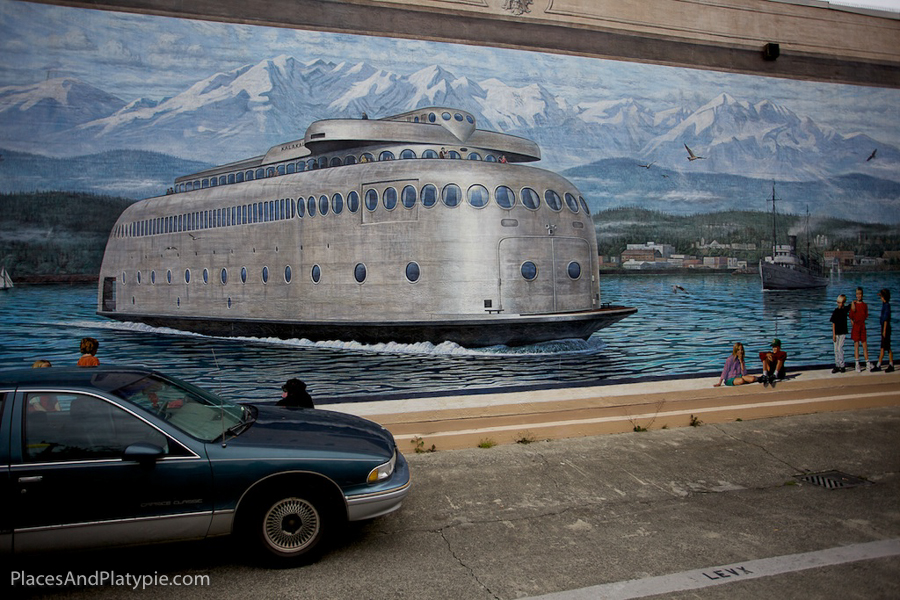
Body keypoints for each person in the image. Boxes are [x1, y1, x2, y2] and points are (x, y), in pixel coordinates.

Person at [849, 287, 873, 372]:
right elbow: (851, 317)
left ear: (862, 295)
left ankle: (867, 363)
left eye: (860, 294)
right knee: (856, 346)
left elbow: (865, 315)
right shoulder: (854, 305)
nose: (858, 295)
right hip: (856, 326)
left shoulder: (864, 305)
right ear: (856, 295)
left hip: (862, 326)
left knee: (864, 345)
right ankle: (857, 364)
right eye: (857, 294)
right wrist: (854, 326)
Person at [872, 288, 894, 372]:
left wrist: (884, 330)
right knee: (885, 347)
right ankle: (883, 364)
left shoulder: (886, 306)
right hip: (884, 328)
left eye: (881, 296)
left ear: (884, 297)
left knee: (885, 347)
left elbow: (885, 319)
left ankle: (882, 364)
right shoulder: (885, 305)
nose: (880, 298)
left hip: (886, 328)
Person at [830, 294, 850, 373]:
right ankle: (837, 365)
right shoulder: (835, 311)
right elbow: (833, 323)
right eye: (839, 302)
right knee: (836, 350)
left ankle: (842, 365)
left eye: (842, 302)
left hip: (842, 332)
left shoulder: (845, 310)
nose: (840, 304)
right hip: (837, 333)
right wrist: (833, 334)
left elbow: (851, 305)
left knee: (840, 348)